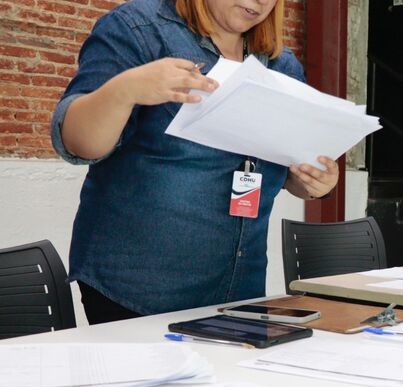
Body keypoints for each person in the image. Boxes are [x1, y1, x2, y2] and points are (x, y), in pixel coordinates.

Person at [51, 0, 338, 324]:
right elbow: (76, 144)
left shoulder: (282, 66)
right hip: (137, 290)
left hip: (239, 290)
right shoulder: (137, 29)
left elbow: (284, 166)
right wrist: (124, 90)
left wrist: (312, 183)